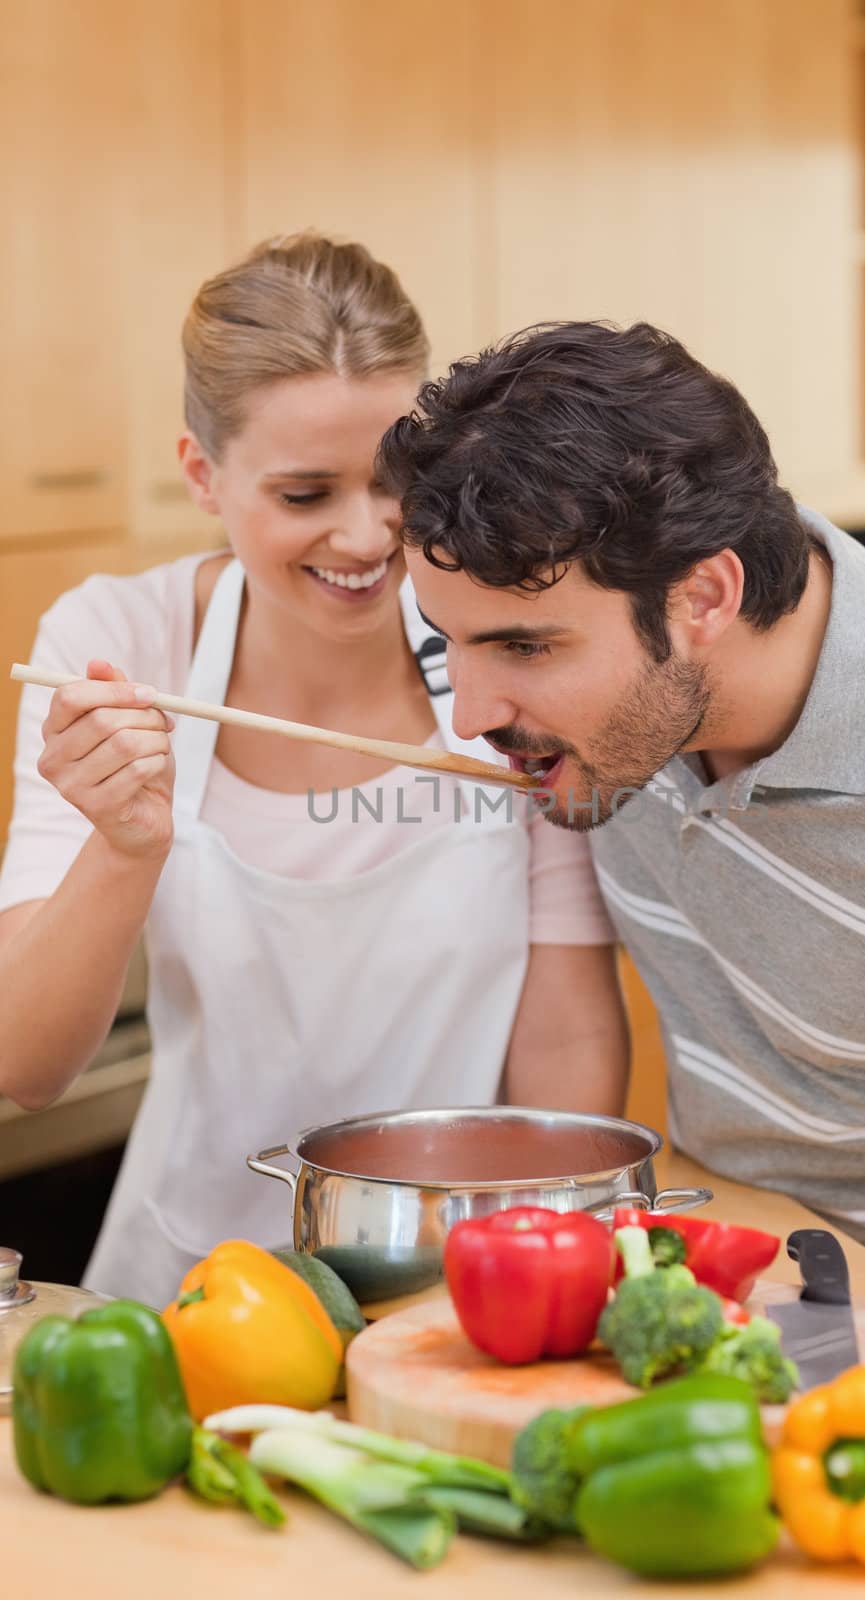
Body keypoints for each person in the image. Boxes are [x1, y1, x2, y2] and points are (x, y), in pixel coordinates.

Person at [378, 319, 865, 1369]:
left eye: (523, 646)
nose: (468, 711)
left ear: (705, 594)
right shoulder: (609, 714)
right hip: (725, 1333)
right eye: (447, 641)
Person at [0, 243, 628, 1309]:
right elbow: (24, 1067)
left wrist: (549, 1280)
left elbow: (563, 1028)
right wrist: (124, 845)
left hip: (456, 1285)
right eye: (305, 492)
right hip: (190, 1292)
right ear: (202, 474)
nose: (365, 531)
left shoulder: (501, 638)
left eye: (397, 481)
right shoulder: (120, 642)